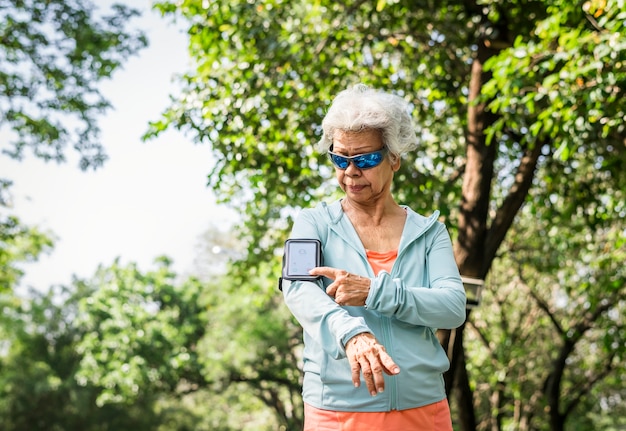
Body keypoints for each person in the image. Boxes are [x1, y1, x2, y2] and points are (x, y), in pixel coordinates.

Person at [281, 83, 467, 430]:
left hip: (424, 409)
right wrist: (351, 333)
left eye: (364, 159)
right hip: (338, 412)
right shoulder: (312, 223)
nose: (350, 171)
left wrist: (375, 292)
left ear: (394, 157)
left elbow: (453, 307)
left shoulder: (430, 233)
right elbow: (298, 290)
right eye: (340, 158)